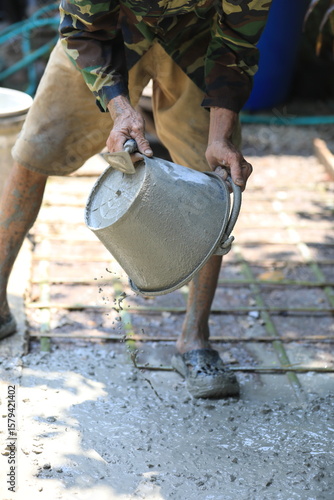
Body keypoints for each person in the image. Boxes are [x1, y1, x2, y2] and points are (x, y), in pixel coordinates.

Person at [0, 0, 272, 398]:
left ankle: (194, 339)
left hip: (196, 43)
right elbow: (82, 28)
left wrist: (220, 135)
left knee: (213, 183)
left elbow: (236, 39)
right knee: (34, 153)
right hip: (105, 34)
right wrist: (118, 106)